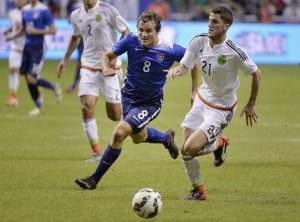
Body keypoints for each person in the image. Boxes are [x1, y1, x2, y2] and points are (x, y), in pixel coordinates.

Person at [74, 11, 199, 190]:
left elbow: (193, 62)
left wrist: (193, 89)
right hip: (127, 97)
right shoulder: (131, 40)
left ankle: (93, 180)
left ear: (158, 32)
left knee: (119, 133)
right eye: (141, 30)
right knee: (138, 137)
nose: (144, 34)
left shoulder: (170, 48)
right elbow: (107, 56)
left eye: (148, 31)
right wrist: (105, 68)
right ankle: (165, 138)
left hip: (150, 103)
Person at [166, 6, 261, 200]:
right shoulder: (198, 40)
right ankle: (198, 190)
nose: (210, 25)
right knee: (186, 148)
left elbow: (256, 73)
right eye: (209, 20)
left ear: (226, 26)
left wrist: (251, 103)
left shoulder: (235, 51)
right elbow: (186, 66)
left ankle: (218, 143)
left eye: (215, 22)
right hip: (202, 99)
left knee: (189, 148)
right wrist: (178, 70)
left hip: (221, 109)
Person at [56, 0, 130, 162]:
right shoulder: (76, 15)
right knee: (86, 107)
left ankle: (130, 105)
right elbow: (75, 38)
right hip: (88, 68)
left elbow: (126, 31)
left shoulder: (108, 10)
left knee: (115, 115)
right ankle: (97, 152)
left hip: (110, 69)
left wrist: (115, 54)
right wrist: (65, 59)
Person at [7, 0, 63, 116]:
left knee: (31, 78)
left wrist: (36, 31)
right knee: (27, 78)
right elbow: (23, 28)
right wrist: (13, 36)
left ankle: (53, 87)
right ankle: (38, 105)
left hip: (38, 48)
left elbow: (53, 30)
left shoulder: (44, 10)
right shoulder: (25, 10)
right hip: (27, 48)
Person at [3, 0, 26, 107]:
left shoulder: (28, 12)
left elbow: (24, 29)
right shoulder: (12, 13)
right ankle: (13, 97)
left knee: (31, 76)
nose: (19, 1)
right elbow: (14, 27)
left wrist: (12, 36)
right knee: (13, 70)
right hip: (15, 47)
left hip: (26, 48)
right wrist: (8, 30)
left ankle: (39, 94)